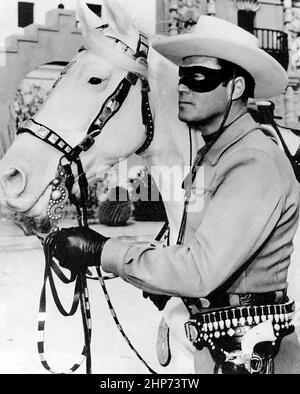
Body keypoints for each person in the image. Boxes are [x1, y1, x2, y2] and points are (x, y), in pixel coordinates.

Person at [53, 16, 300, 374]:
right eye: (183, 77)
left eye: (199, 78)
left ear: (235, 87)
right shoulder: (214, 156)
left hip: (253, 357)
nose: (183, 88)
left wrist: (102, 250)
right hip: (221, 351)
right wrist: (159, 276)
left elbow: (199, 271)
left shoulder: (253, 162)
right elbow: (205, 255)